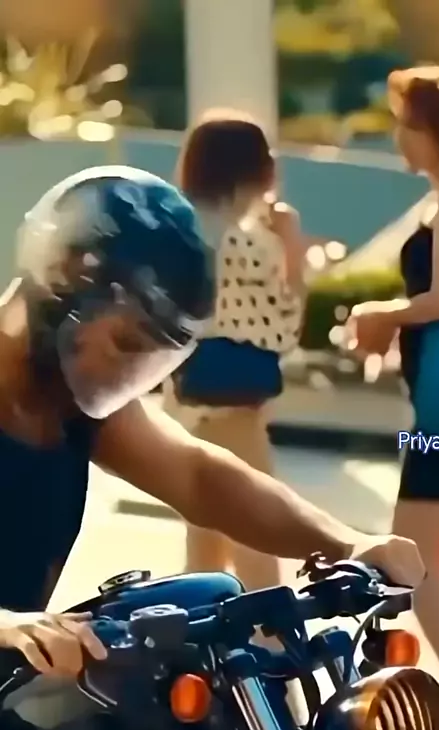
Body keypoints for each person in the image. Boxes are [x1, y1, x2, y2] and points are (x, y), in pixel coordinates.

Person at [0, 164, 424, 680]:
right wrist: (8, 624)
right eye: (125, 344)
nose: (126, 374)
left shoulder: (67, 401)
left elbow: (199, 476)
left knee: (209, 606)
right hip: (16, 649)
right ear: (60, 283)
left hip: (13, 680)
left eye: (148, 359)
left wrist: (347, 544)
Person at [346, 66, 439, 730]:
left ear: (434, 133)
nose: (399, 137)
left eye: (406, 124)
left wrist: (378, 312)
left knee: (411, 552)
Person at [164, 110, 306, 591]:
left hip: (186, 401)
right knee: (257, 537)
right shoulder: (248, 243)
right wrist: (292, 248)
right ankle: (271, 635)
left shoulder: (179, 230)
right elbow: (283, 328)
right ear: (255, 168)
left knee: (204, 547)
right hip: (235, 410)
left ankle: (195, 636)